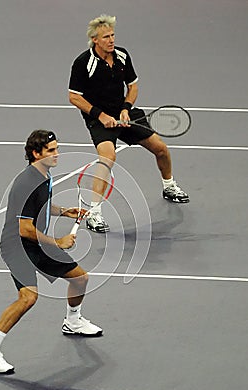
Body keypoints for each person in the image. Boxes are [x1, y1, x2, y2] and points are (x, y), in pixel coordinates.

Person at [0, 130, 103, 374]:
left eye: (57, 148)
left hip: (36, 243)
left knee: (80, 278)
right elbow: (25, 230)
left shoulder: (44, 175)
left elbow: (42, 206)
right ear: (36, 154)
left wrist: (65, 211)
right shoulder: (27, 182)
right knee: (28, 297)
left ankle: (73, 321)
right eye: (51, 151)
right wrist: (58, 241)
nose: (57, 154)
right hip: (17, 246)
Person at [69, 14, 189, 233]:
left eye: (113, 35)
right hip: (98, 118)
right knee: (107, 158)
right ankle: (94, 213)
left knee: (160, 149)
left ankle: (169, 186)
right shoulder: (83, 63)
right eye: (106, 36)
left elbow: (133, 86)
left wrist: (125, 109)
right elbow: (74, 97)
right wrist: (101, 115)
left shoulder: (122, 56)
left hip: (123, 113)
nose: (111, 40)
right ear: (95, 39)